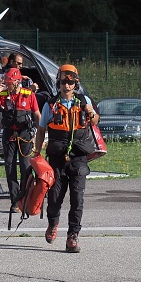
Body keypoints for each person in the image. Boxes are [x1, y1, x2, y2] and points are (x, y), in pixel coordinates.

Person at [33, 64, 100, 253]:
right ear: (58, 83)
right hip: (56, 158)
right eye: (63, 81)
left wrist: (90, 112)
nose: (67, 86)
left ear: (75, 83)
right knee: (54, 197)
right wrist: (37, 154)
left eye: (70, 82)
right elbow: (41, 130)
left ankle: (73, 236)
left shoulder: (84, 100)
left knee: (77, 198)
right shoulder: (50, 104)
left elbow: (95, 121)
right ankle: (53, 223)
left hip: (78, 157)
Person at [0, 68, 41, 213]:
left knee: (25, 168)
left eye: (9, 83)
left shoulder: (28, 95)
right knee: (10, 168)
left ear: (17, 82)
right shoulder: (3, 95)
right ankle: (15, 201)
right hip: (9, 134)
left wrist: (39, 132)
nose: (7, 86)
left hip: (25, 135)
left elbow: (37, 115)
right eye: (6, 83)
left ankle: (25, 198)